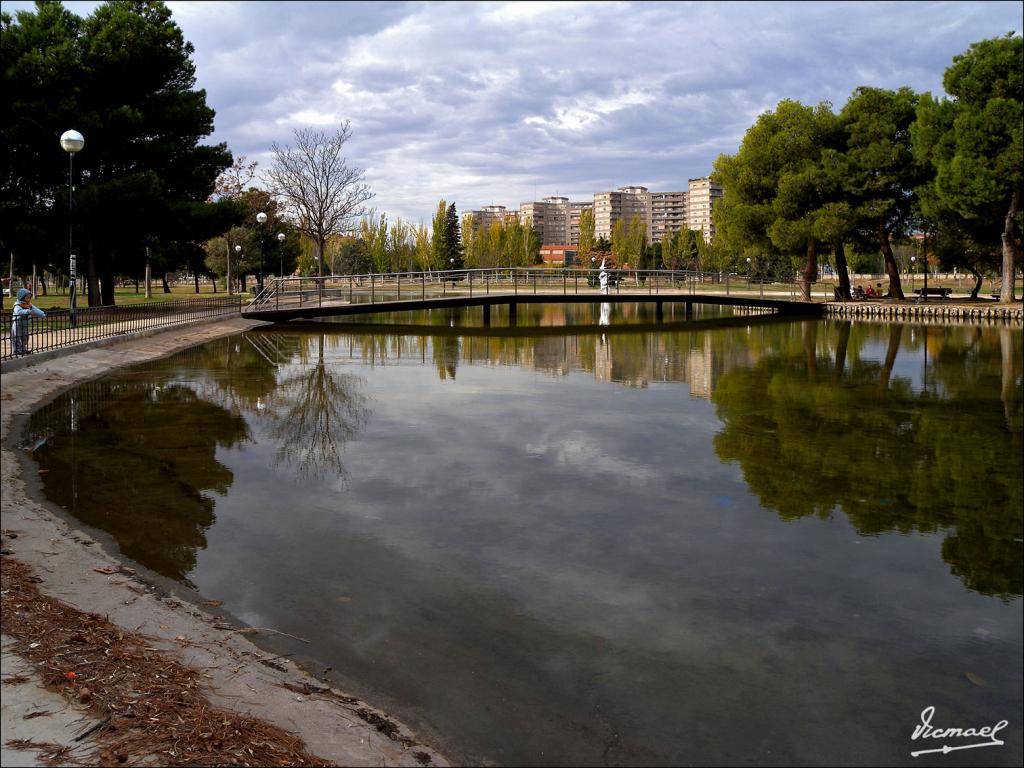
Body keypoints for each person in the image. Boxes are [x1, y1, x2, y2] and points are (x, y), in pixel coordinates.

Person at [11, 287, 45, 356]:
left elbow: (36, 310)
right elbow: (18, 312)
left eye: (30, 297)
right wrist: (28, 311)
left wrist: (42, 314)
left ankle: (23, 349)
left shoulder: (29, 304)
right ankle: (17, 350)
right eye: (27, 297)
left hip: (25, 324)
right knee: (17, 337)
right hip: (18, 324)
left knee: (25, 337)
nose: (29, 299)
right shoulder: (18, 305)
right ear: (22, 297)